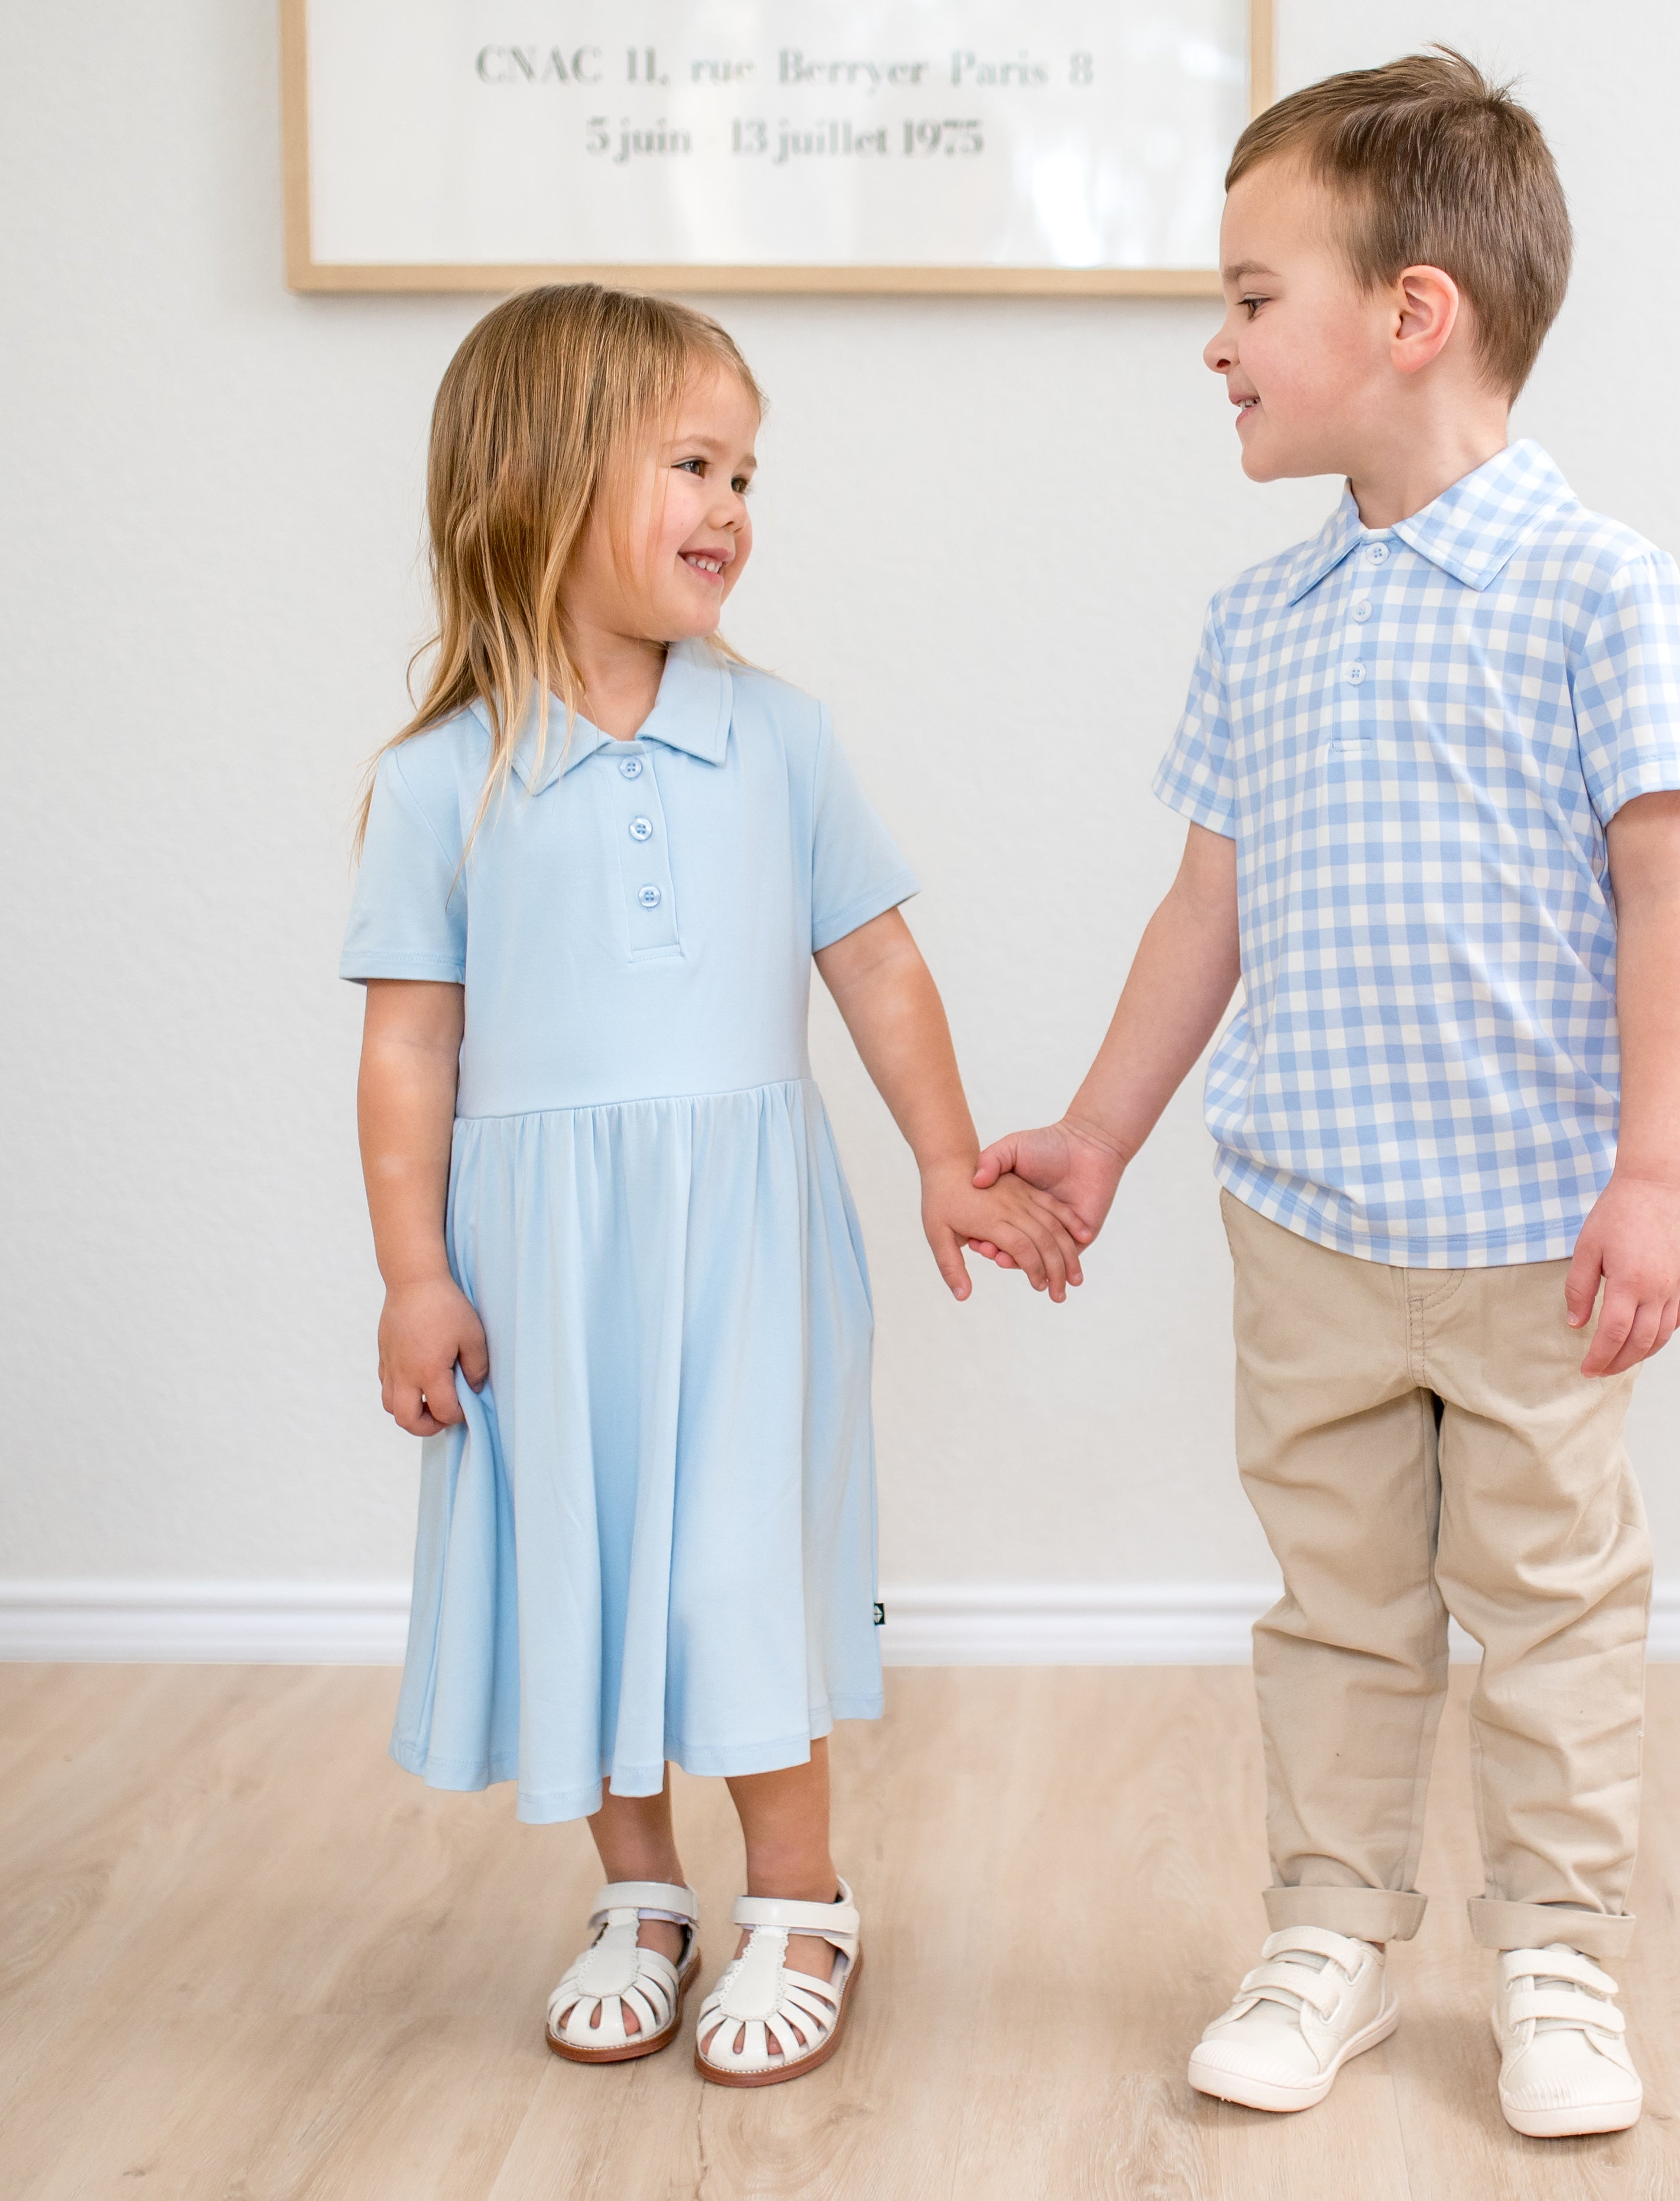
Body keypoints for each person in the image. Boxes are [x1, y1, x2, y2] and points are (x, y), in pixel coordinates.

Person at [971, 51, 1680, 2137]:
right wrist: (1100, 1136)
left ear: (1411, 315)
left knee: (1559, 1606)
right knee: (1338, 1610)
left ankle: (1557, 1954)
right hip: (1305, 1223)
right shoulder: (1262, 622)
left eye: (1247, 295)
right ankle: (1334, 1925)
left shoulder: (1599, 588)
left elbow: (1671, 885)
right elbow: (1202, 910)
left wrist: (1654, 1173)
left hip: (1533, 1233)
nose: (1211, 344)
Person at [343, 283, 1082, 2083]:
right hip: (544, 1260)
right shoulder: (442, 778)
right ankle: (643, 1894)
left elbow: (879, 966)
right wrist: (414, 1272)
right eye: (691, 463)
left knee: (736, 1565)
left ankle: (804, 1902)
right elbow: (409, 1052)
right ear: (539, 480)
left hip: (744, 1244)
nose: (734, 507)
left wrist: (942, 1158)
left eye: (747, 471)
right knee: (588, 1567)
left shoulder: (782, 739)